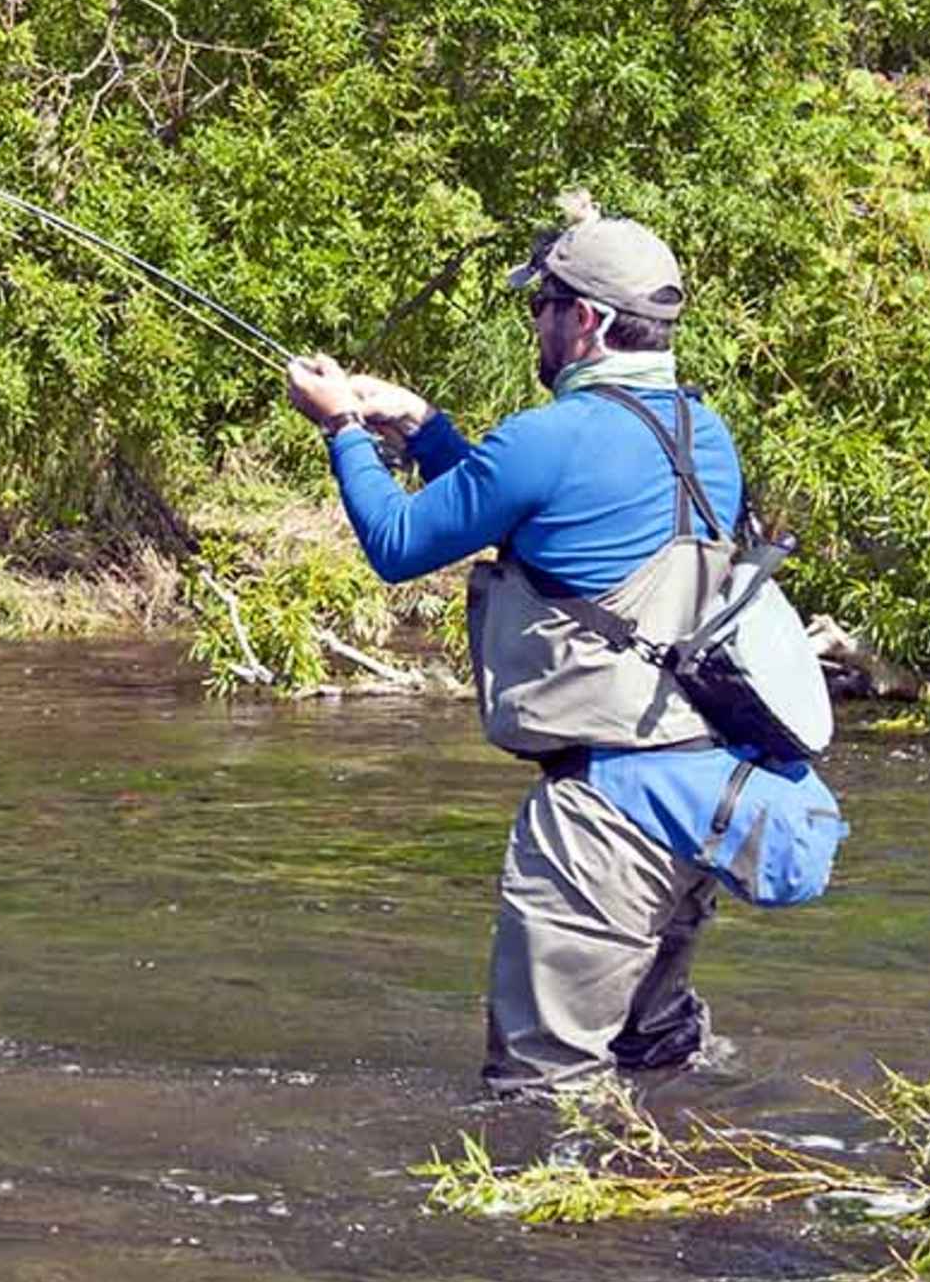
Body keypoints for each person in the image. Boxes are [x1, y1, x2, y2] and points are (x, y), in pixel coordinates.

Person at [283, 200, 778, 1095]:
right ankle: (688, 1200)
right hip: (695, 792)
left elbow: (398, 544)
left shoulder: (549, 436)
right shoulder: (704, 434)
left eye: (541, 304)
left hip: (604, 818)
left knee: (543, 1089)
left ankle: (572, 1235)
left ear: (583, 318)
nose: (536, 323)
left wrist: (344, 431)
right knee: (654, 1052)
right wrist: (425, 430)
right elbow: (551, 526)